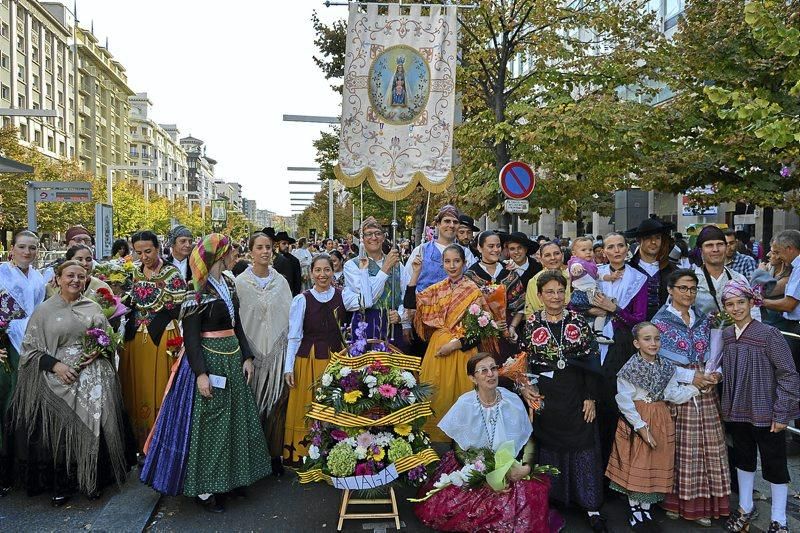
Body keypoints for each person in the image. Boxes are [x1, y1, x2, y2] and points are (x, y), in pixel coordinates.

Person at [141, 233, 270, 513]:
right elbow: (191, 338)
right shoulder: (195, 292)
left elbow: (237, 326)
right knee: (210, 425)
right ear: (217, 256)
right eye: (229, 251)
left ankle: (233, 478)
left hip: (232, 361)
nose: (234, 255)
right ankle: (205, 488)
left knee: (235, 421)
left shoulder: (228, 284)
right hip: (209, 361)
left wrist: (246, 356)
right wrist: (200, 374)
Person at [10, 260, 134, 504]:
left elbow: (108, 340)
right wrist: (56, 366)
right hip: (57, 375)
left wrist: (100, 351)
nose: (75, 280)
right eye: (70, 276)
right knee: (59, 429)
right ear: (57, 279)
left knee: (97, 420)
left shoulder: (93, 307)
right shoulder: (43, 311)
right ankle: (63, 484)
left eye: (81, 276)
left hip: (94, 378)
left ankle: (92, 481)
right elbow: (29, 351)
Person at [414, 352, 560, 533]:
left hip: (508, 464)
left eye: (493, 368)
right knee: (461, 505)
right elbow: (459, 448)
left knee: (527, 500)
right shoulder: (465, 403)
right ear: (472, 378)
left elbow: (528, 439)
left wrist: (526, 467)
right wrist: (482, 476)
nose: (490, 374)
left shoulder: (512, 400)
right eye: (483, 371)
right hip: (472, 464)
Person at [518, 270, 606, 532]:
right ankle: (556, 501)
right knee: (551, 447)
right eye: (550, 292)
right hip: (547, 395)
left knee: (583, 447)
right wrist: (526, 389)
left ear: (566, 293)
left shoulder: (578, 322)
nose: (556, 297)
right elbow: (523, 363)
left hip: (576, 392)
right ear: (540, 295)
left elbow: (592, 360)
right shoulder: (532, 323)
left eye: (560, 291)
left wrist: (591, 397)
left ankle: (591, 506)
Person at [404, 244, 506, 443]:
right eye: (447, 261)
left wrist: (453, 345)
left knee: (463, 401)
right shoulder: (436, 289)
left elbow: (479, 332)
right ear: (442, 264)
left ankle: (465, 454)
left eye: (456, 261)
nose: (452, 266)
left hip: (462, 356)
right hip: (437, 355)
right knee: (435, 399)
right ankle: (434, 451)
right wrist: (415, 274)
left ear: (464, 263)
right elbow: (410, 305)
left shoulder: (472, 291)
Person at [719, 280, 799, 533]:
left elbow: (788, 373)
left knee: (774, 463)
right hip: (738, 411)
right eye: (730, 304)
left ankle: (779, 519)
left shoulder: (769, 334)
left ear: (751, 302)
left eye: (741, 302)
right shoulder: (727, 335)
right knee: (743, 459)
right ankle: (745, 506)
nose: (736, 308)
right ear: (724, 308)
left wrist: (783, 411)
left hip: (766, 411)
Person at [652, 268, 730, 526]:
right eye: (683, 288)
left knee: (709, 448)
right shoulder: (661, 321)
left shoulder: (703, 319)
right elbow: (657, 360)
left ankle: (704, 505)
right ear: (670, 290)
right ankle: (677, 502)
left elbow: (714, 352)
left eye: (693, 289)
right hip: (677, 390)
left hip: (705, 389)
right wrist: (690, 378)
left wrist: (714, 374)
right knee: (682, 448)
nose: (688, 293)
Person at [605, 322, 699, 529]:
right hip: (639, 419)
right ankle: (635, 510)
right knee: (638, 462)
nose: (653, 343)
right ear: (636, 343)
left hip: (660, 417)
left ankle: (645, 510)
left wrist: (694, 389)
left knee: (654, 461)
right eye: (647, 339)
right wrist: (640, 427)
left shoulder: (665, 367)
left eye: (656, 338)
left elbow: (671, 393)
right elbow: (624, 401)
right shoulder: (630, 369)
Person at [121, 231, 187, 452]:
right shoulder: (135, 272)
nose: (144, 257)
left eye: (148, 251)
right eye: (138, 252)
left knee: (160, 387)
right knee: (136, 386)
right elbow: (129, 300)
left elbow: (178, 307)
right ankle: (138, 443)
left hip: (162, 337)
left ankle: (160, 443)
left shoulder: (171, 273)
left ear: (158, 248)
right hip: (135, 338)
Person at [233, 232, 292, 476]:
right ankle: (252, 459)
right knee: (252, 406)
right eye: (260, 247)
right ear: (251, 252)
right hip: (250, 352)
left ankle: (275, 456)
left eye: (268, 247)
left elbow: (289, 316)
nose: (265, 251)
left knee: (277, 403)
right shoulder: (239, 282)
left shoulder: (281, 282)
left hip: (278, 352)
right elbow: (236, 318)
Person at [593, 232, 648, 471]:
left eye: (620, 246)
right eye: (610, 247)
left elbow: (640, 319)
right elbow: (576, 305)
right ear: (604, 251)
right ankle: (601, 467)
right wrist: (595, 311)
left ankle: (623, 469)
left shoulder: (639, 278)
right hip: (595, 346)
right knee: (600, 407)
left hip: (623, 348)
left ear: (627, 249)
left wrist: (614, 308)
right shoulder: (594, 274)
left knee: (622, 408)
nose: (616, 251)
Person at [283, 255, 345, 464]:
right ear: (311, 274)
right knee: (308, 406)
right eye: (317, 270)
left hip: (335, 360)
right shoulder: (302, 299)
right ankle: (305, 452)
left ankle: (334, 453)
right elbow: (294, 336)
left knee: (334, 406)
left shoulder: (343, 296)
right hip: (308, 360)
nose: (322, 275)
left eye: (327, 270)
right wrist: (288, 367)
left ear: (333, 272)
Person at [0, 230, 47, 493]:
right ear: (12, 248)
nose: (27, 252)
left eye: (32, 247)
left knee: (29, 406)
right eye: (22, 246)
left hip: (33, 342)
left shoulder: (39, 277)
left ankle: (24, 469)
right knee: (8, 404)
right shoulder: (2, 273)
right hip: (7, 344)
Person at [342, 217, 406, 350]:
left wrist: (400, 315)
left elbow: (406, 295)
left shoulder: (398, 265)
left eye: (377, 233)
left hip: (391, 326)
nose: (374, 237)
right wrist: (385, 269)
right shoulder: (352, 266)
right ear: (362, 239)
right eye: (369, 234)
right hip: (365, 324)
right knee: (364, 369)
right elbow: (367, 299)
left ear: (383, 237)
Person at [464, 231, 525, 357]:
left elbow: (520, 306)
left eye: (498, 246)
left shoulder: (509, 272)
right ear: (479, 248)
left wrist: (513, 327)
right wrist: (490, 324)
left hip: (507, 331)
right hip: (482, 336)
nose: (496, 250)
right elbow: (467, 312)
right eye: (491, 246)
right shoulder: (470, 276)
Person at [402, 205, 475, 294]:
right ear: (438, 224)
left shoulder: (466, 253)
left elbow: (473, 283)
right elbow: (406, 280)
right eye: (447, 221)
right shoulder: (421, 250)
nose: (451, 225)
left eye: (455, 222)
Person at [693, 225, 760, 321]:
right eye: (709, 245)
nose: (715, 249)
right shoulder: (691, 281)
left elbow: (753, 312)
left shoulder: (738, 278)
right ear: (701, 250)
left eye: (720, 244)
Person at [567, 236, 619, 338]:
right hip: (583, 294)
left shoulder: (591, 264)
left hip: (590, 293)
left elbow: (598, 275)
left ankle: (593, 331)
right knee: (605, 309)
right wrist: (577, 269)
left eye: (590, 250)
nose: (588, 252)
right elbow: (575, 269)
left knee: (598, 314)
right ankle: (597, 331)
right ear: (574, 253)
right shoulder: (576, 262)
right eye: (583, 250)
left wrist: (610, 277)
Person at [626, 217, 677, 320]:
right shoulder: (628, 269)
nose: (654, 242)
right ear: (639, 240)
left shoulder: (673, 270)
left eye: (657, 237)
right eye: (649, 238)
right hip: (634, 327)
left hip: (666, 327)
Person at [45, 244, 112, 298]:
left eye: (88, 259)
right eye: (79, 259)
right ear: (68, 261)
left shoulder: (102, 287)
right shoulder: (54, 286)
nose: (85, 263)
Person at [524, 241, 572, 316]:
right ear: (541, 259)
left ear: (562, 255)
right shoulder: (534, 281)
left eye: (556, 253)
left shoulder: (572, 277)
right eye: (547, 255)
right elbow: (529, 312)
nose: (553, 258)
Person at [269, 228, 302, 296]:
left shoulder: (294, 261)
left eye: (288, 244)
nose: (287, 246)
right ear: (277, 244)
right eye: (284, 243)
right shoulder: (270, 258)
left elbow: (297, 283)